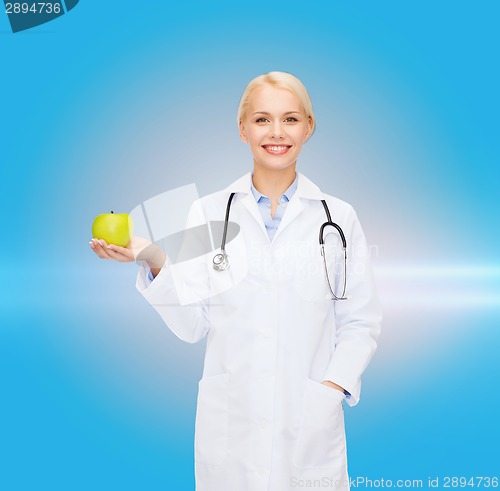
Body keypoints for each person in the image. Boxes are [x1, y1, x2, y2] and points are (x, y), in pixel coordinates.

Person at [89, 71, 382, 491]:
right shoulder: (209, 213)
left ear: (309, 127)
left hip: (309, 422)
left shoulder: (338, 218)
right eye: (262, 120)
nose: (276, 132)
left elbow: (360, 322)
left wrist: (328, 392)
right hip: (232, 427)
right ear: (242, 129)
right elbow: (193, 324)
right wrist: (153, 257)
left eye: (291, 119)